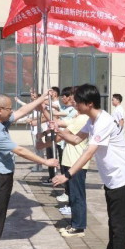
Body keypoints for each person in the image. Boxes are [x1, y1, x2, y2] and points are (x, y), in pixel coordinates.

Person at [53, 84, 125, 249]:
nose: (75, 103)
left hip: (122, 177)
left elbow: (89, 151)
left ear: (89, 103)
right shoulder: (93, 120)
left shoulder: (104, 121)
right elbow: (75, 139)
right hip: (112, 179)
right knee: (113, 222)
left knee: (119, 224)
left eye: (78, 101)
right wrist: (57, 129)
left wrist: (68, 175)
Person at [0, 91, 59, 249]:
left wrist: (41, 99)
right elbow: (20, 150)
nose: (12, 111)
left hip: (2, 180)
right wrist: (45, 161)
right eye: (8, 108)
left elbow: (23, 111)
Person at [38, 86, 90, 236]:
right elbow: (57, 123)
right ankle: (76, 224)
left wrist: (46, 141)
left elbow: (64, 134)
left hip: (77, 162)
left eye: (76, 99)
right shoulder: (76, 117)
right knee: (73, 195)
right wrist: (43, 110)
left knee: (77, 195)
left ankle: (78, 226)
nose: (73, 101)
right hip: (70, 161)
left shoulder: (82, 119)